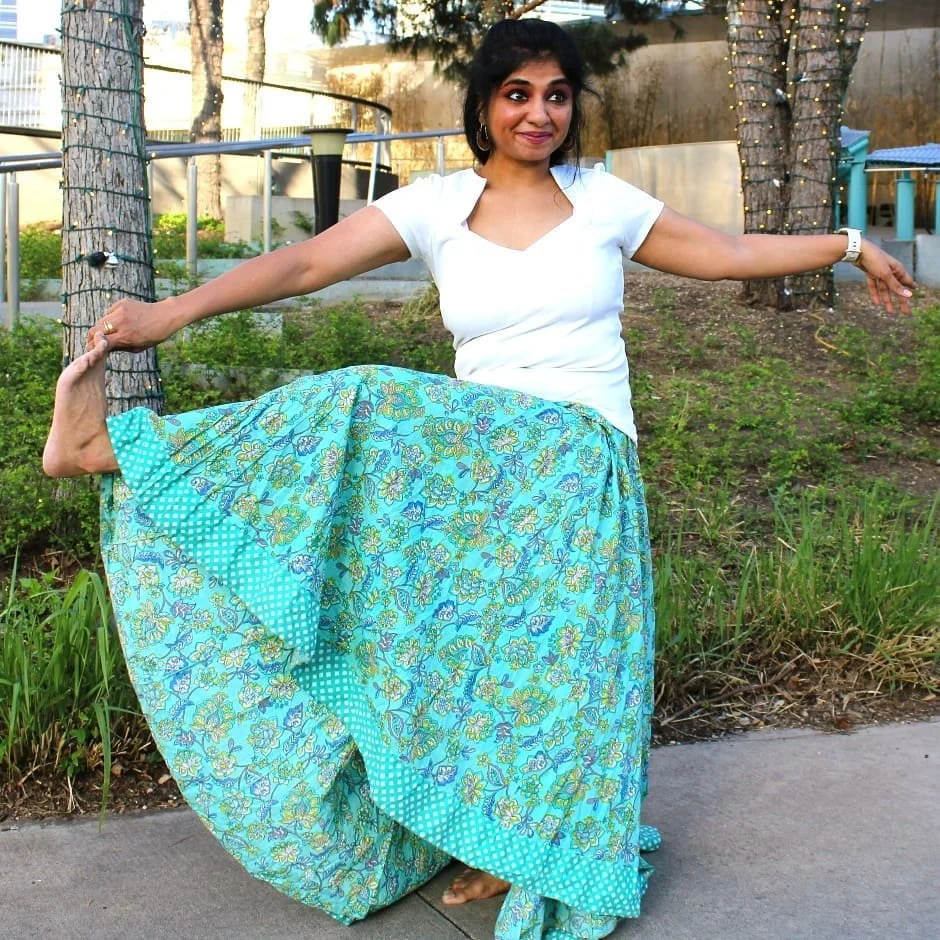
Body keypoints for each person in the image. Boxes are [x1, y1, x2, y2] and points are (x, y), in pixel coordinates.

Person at [45, 18, 913, 940]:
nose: (539, 113)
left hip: (579, 466)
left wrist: (850, 247)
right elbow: (301, 263)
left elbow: (730, 254)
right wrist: (168, 315)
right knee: (430, 576)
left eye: (556, 94)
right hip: (477, 471)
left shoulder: (605, 201)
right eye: (517, 93)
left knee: (549, 670)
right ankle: (114, 451)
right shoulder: (435, 206)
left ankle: (524, 847)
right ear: (485, 106)